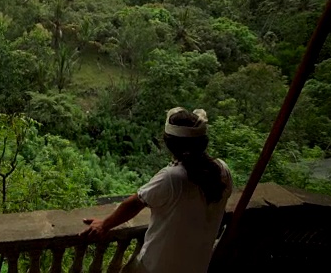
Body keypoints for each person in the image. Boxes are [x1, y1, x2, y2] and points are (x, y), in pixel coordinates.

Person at [80, 107, 233, 273]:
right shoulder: (223, 170)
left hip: (157, 265)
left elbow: (135, 203)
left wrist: (104, 224)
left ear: (169, 143)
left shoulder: (172, 178)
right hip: (197, 264)